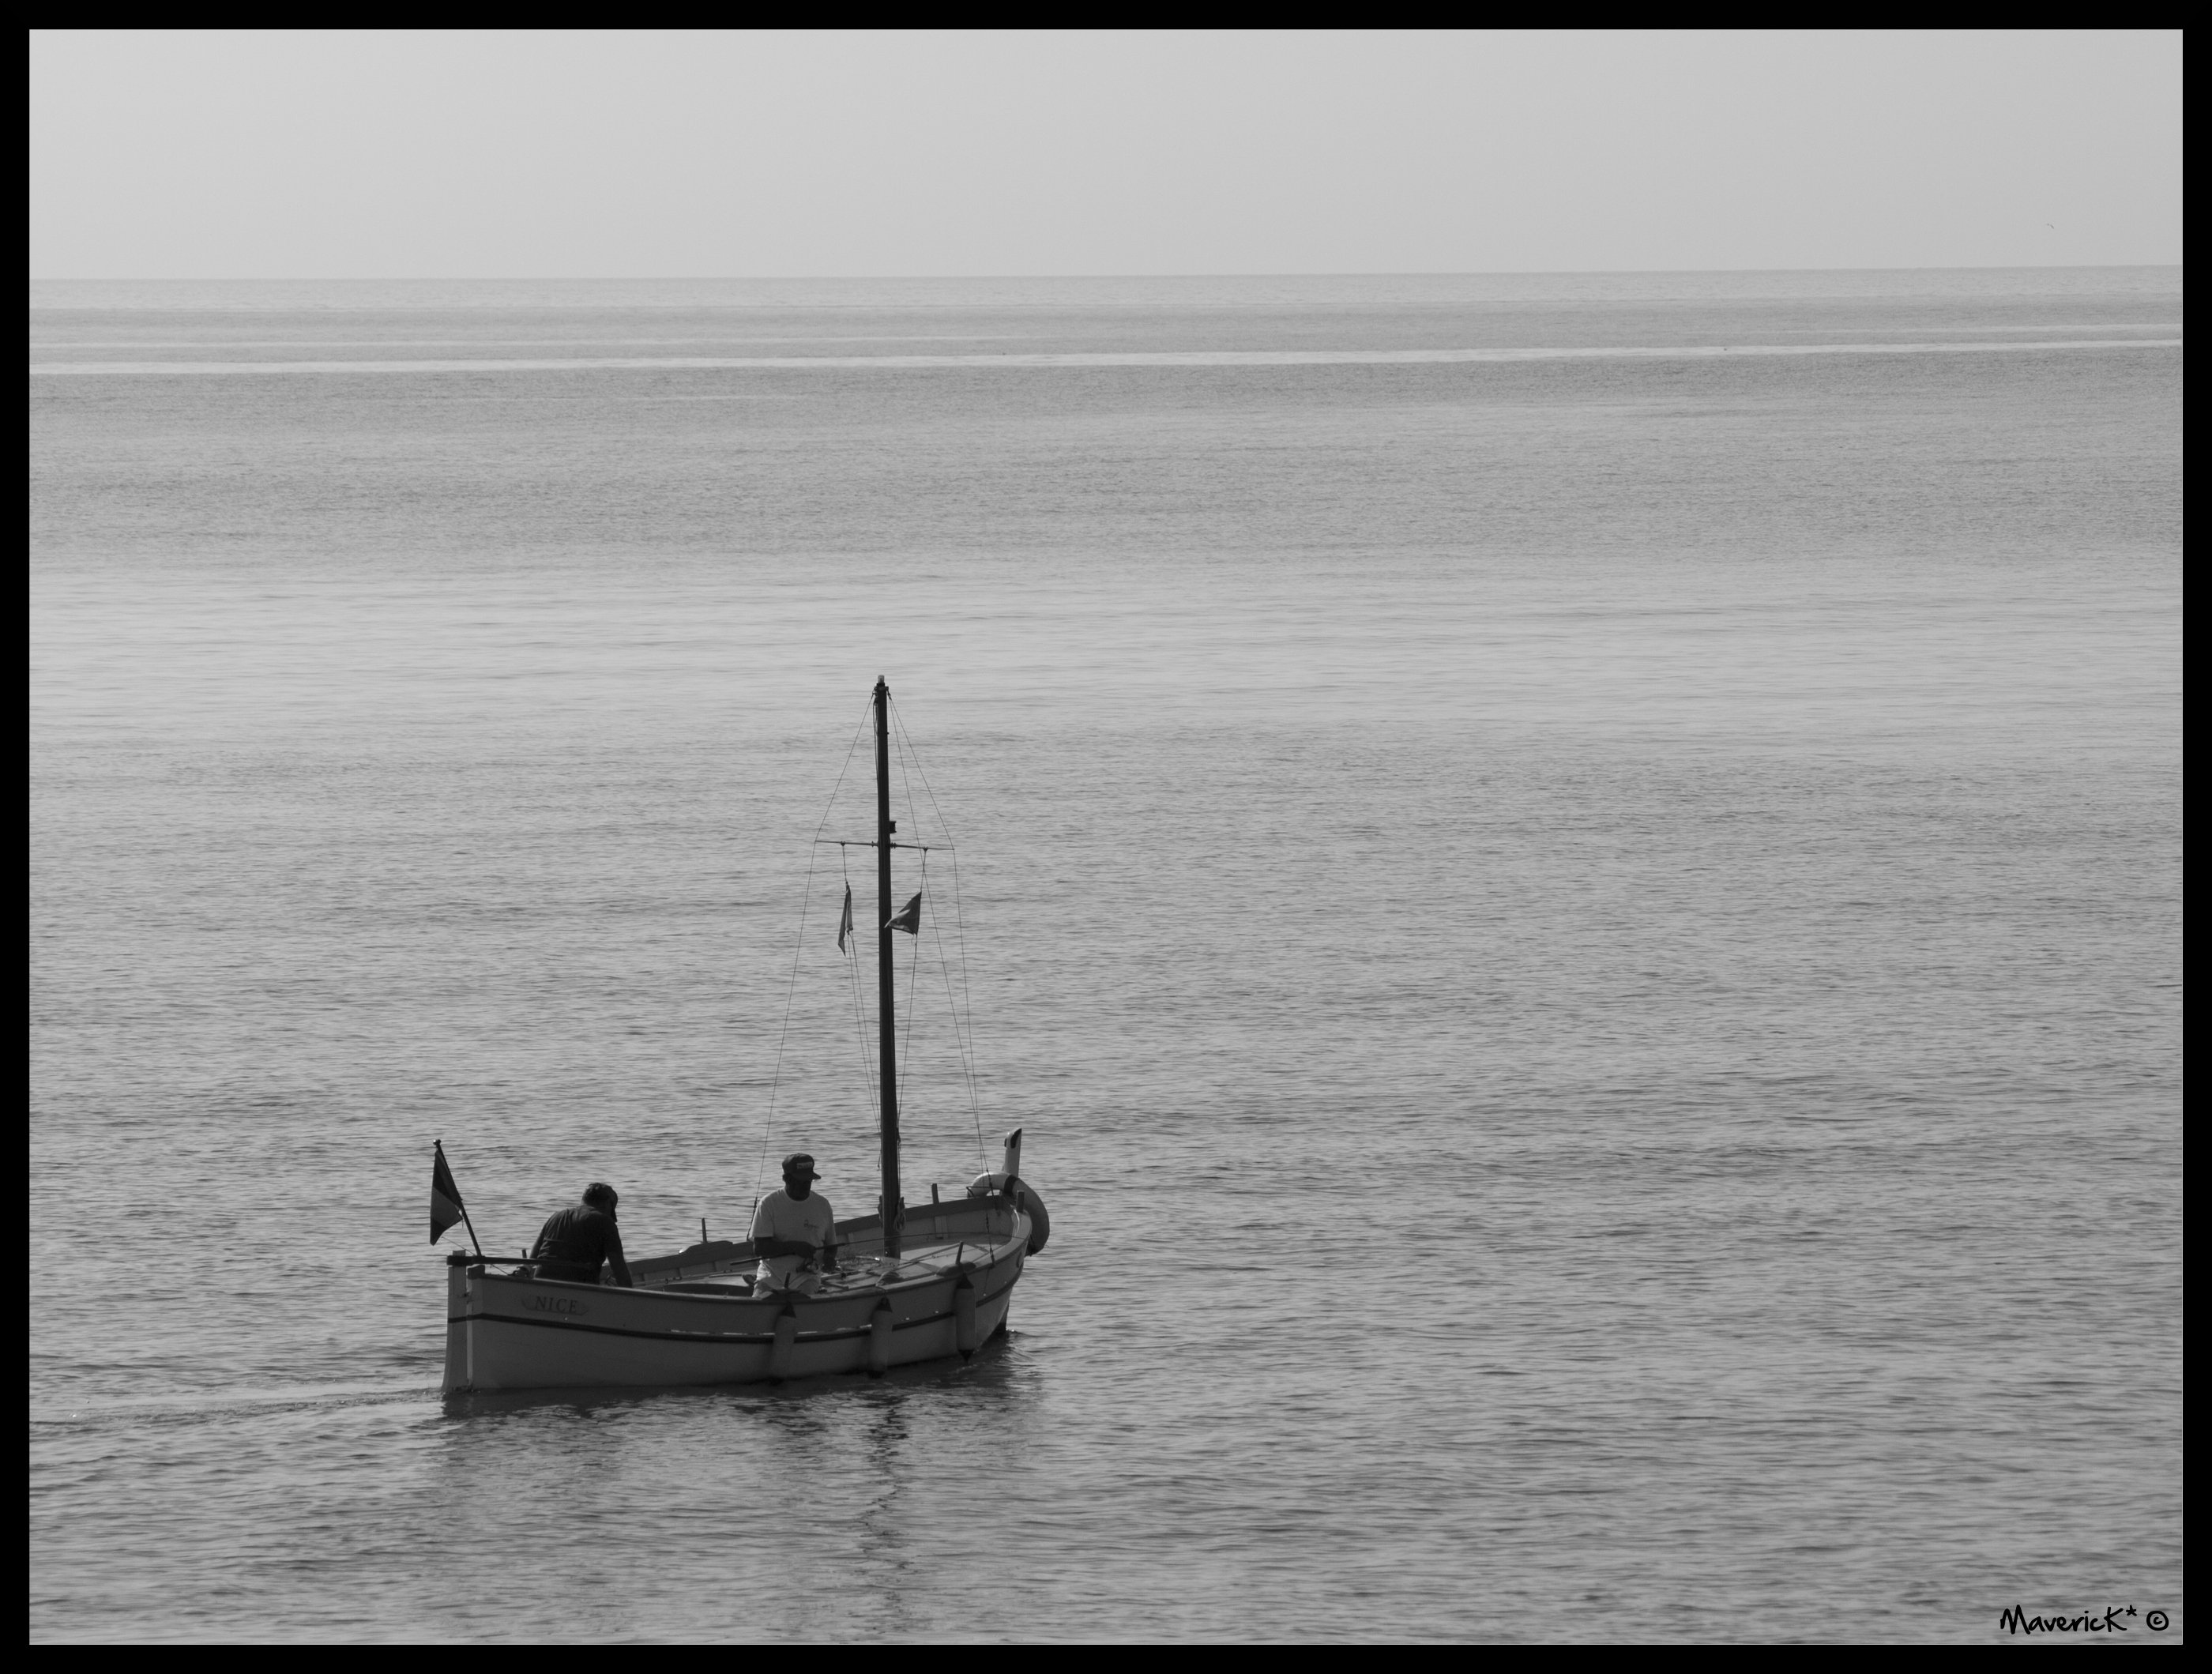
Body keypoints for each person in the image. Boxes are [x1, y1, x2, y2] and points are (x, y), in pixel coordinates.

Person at [752, 1153, 838, 1294]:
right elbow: (760, 1248)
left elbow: (831, 1245)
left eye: (809, 1181)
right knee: (760, 1305)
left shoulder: (822, 1205)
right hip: (771, 1276)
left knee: (802, 1303)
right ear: (787, 1179)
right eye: (801, 1181)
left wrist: (829, 1258)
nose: (806, 1185)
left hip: (807, 1277)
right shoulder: (768, 1204)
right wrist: (794, 1247)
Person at [531, 1182, 634, 1286]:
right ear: (608, 1203)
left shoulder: (556, 1216)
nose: (612, 1216)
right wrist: (631, 1296)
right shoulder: (605, 1222)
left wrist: (525, 1267)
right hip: (579, 1288)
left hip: (541, 1283)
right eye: (612, 1210)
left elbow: (536, 1250)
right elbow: (619, 1268)